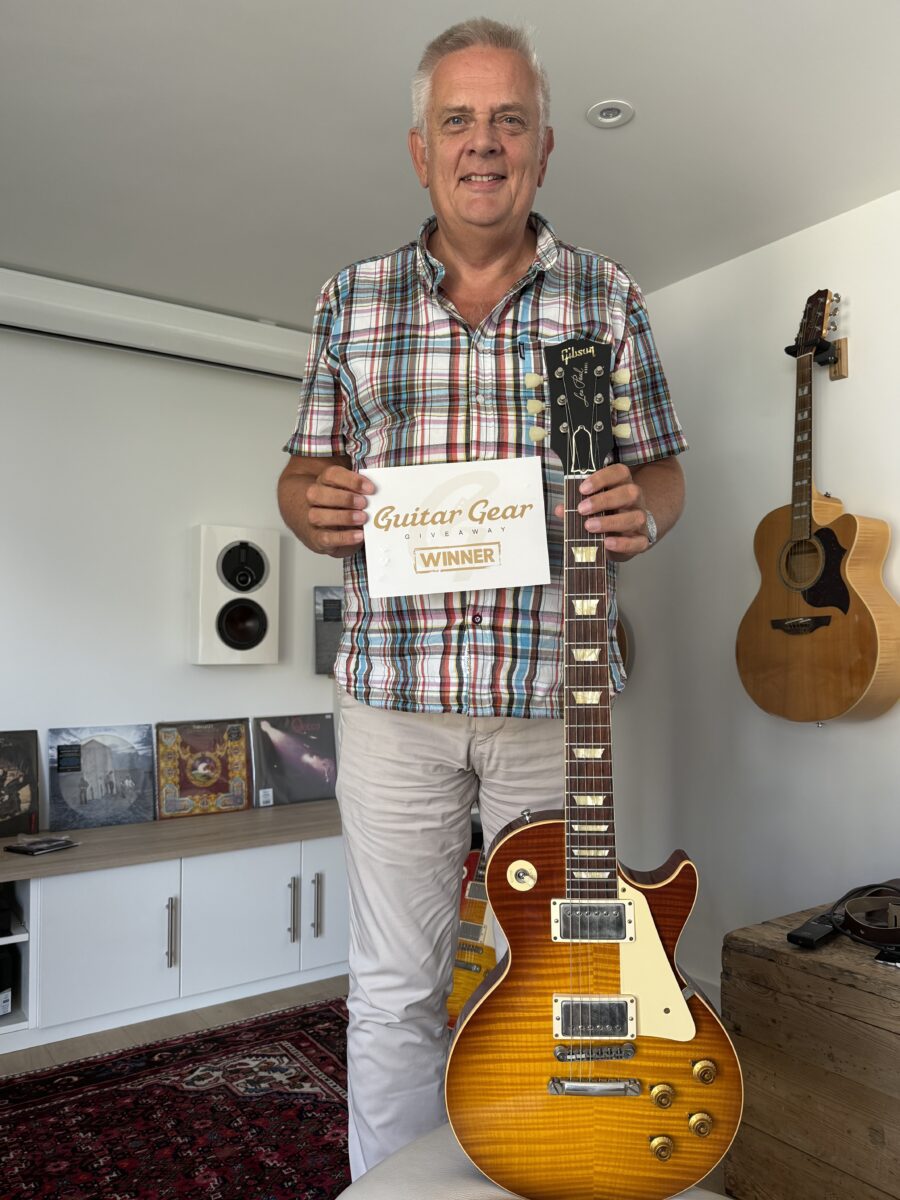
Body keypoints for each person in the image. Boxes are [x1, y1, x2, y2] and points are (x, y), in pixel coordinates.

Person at [277, 18, 687, 1179]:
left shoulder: (602, 300)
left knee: (551, 977)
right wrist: (309, 504)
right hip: (393, 698)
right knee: (394, 986)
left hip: (553, 696)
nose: (484, 142)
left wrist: (645, 511)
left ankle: (537, 1171)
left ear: (546, 147)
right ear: (421, 150)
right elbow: (303, 475)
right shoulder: (350, 301)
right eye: (457, 120)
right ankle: (397, 1189)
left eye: (510, 119)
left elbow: (660, 470)